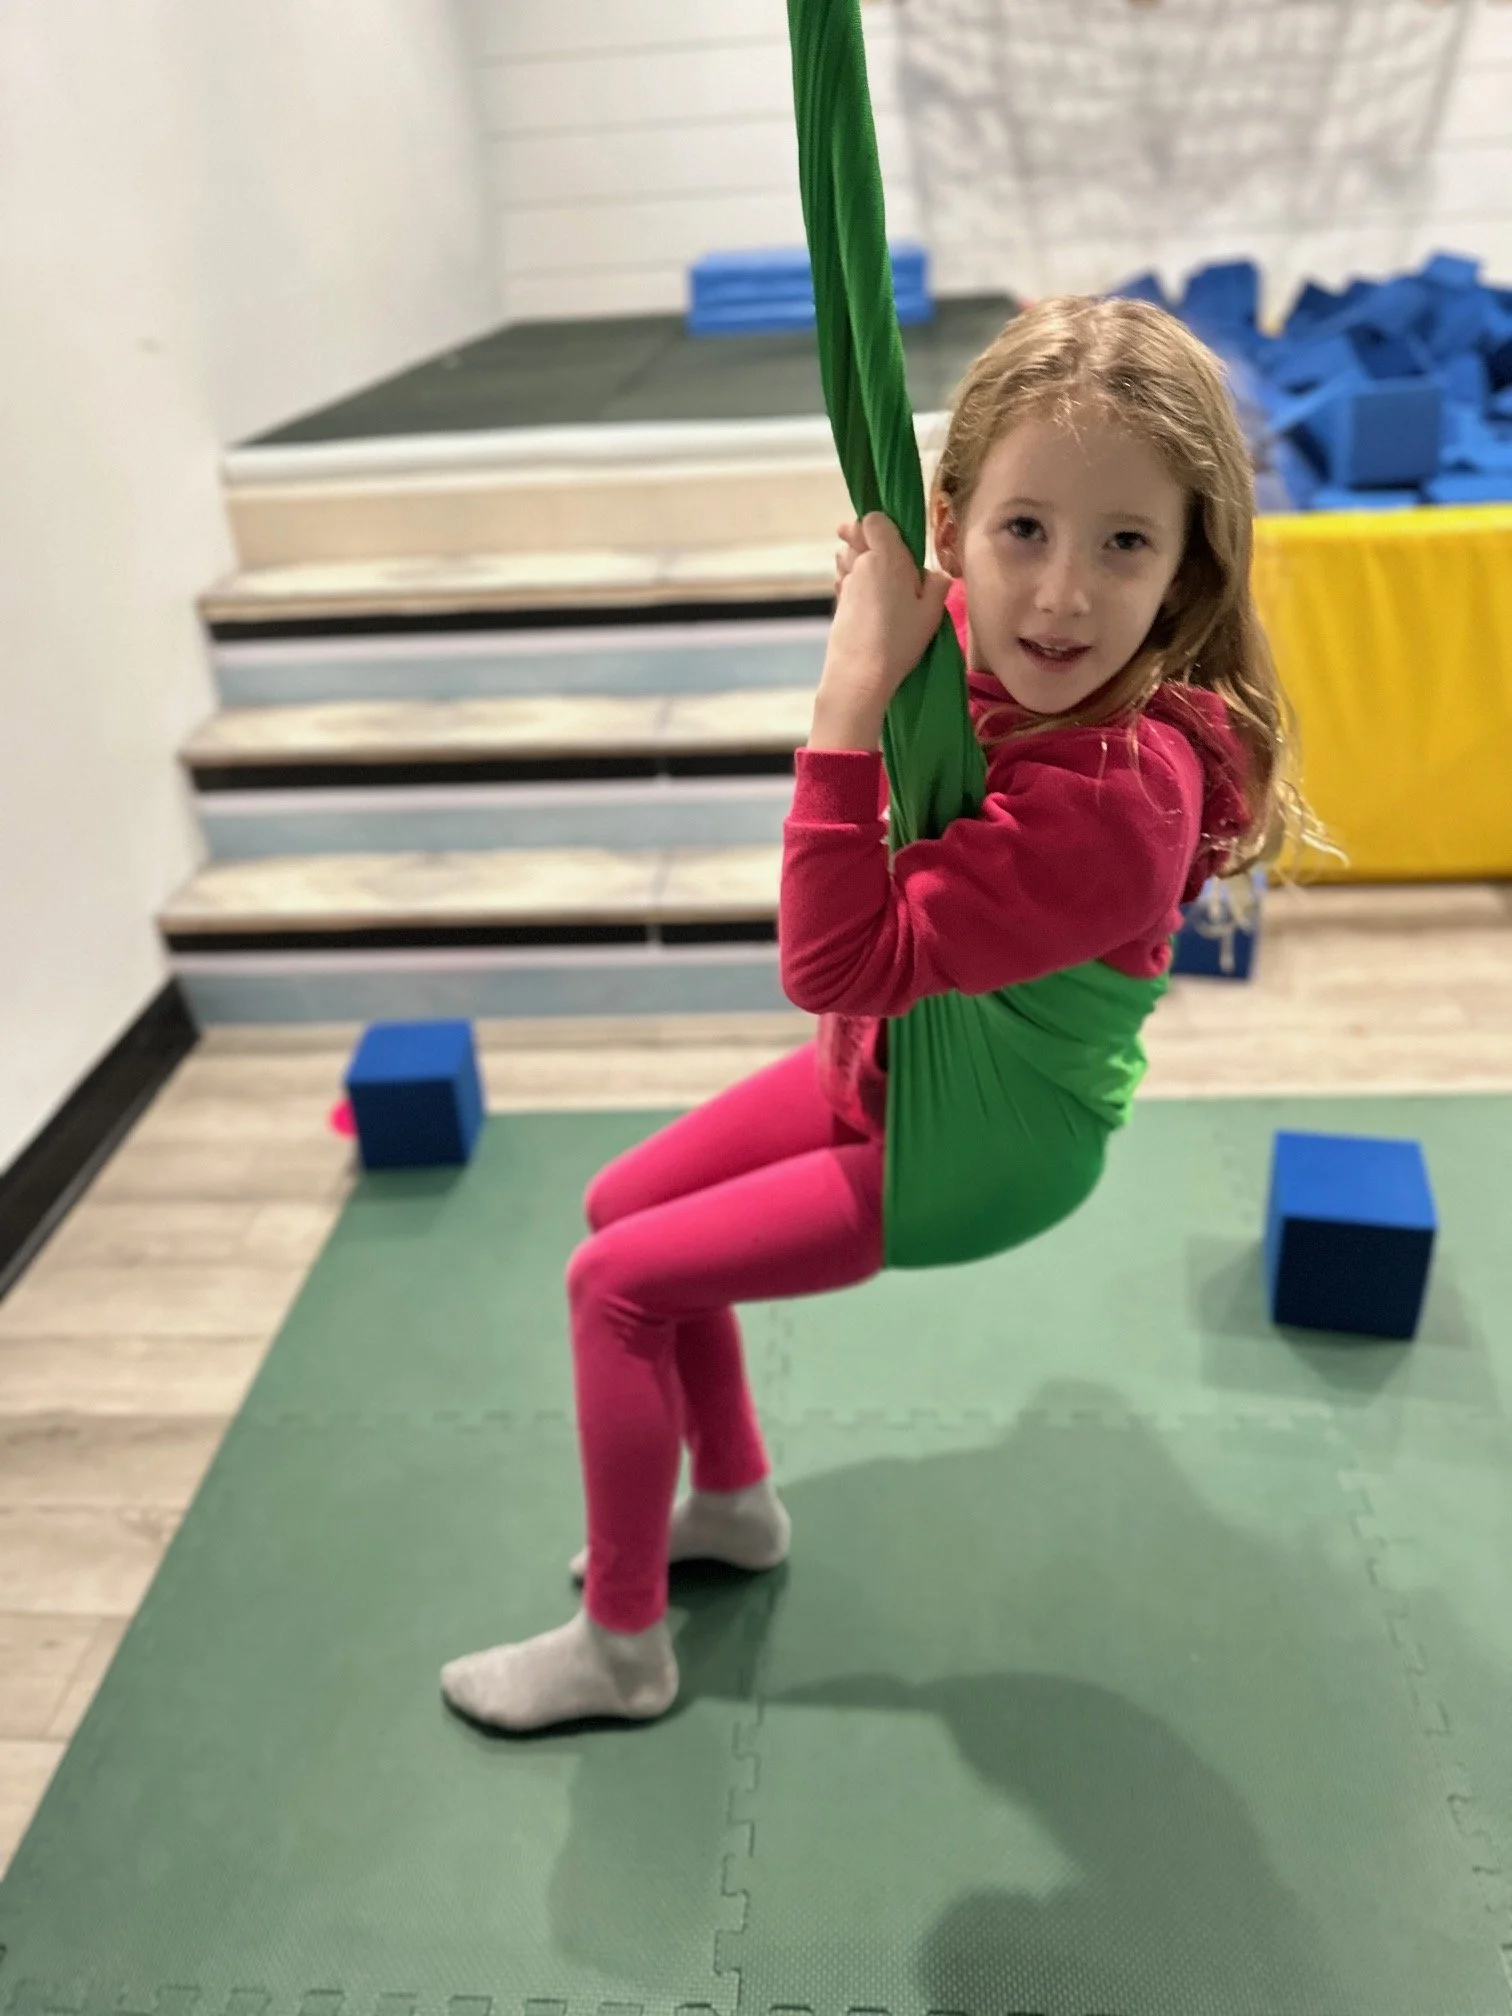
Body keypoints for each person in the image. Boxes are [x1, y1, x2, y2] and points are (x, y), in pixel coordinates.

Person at [440, 294, 1321, 1733]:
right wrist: (893, 595)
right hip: (886, 1072)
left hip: (980, 1141)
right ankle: (732, 1501)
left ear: (1185, 573)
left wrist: (851, 690)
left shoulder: (1119, 803)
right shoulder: (980, 622)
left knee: (613, 1288)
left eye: (1125, 544)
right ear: (955, 526)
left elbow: (837, 960)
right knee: (619, 1213)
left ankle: (622, 1646)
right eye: (1025, 530)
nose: (1061, 597)